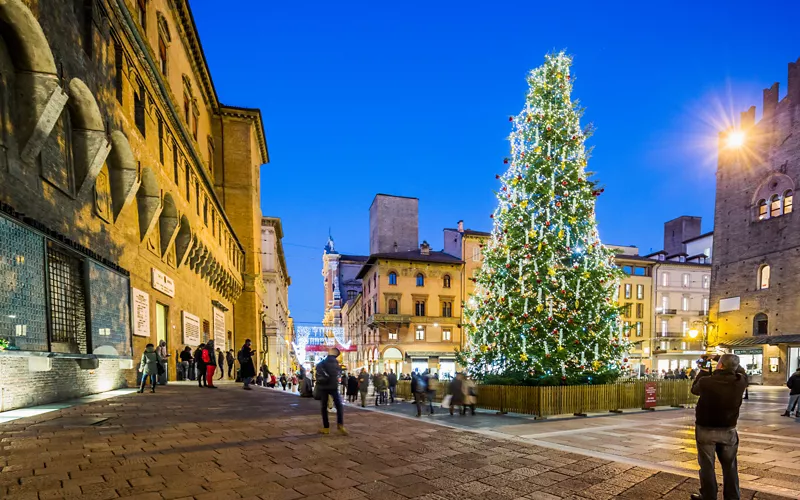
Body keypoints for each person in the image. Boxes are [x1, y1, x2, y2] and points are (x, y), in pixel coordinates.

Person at [690, 353, 748, 500]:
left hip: (705, 428)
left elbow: (694, 390)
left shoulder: (706, 381)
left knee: (707, 466)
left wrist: (704, 368)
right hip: (728, 429)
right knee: (730, 466)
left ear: (720, 366)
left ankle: (709, 496)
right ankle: (732, 496)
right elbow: (740, 369)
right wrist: (718, 357)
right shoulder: (740, 381)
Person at [315, 347, 347, 435]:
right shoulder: (336, 363)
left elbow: (317, 373)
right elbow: (338, 375)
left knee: (324, 407)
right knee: (339, 405)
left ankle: (326, 428)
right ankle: (340, 424)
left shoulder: (322, 363)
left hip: (324, 387)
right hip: (333, 387)